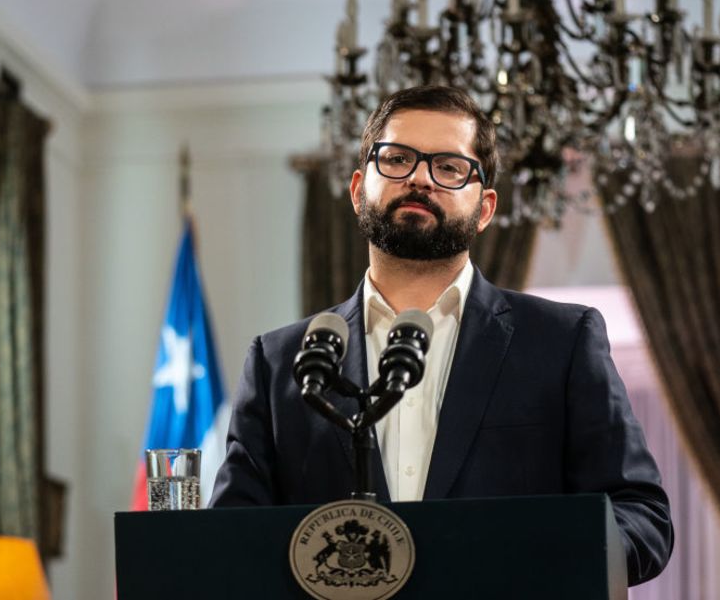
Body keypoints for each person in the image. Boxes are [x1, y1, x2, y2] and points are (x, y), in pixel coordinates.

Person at [209, 85, 673, 585]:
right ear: (357, 188)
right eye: (398, 159)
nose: (419, 179)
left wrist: (539, 560)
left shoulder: (563, 342)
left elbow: (642, 519)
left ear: (486, 207)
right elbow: (233, 537)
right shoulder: (279, 360)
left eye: (449, 167)